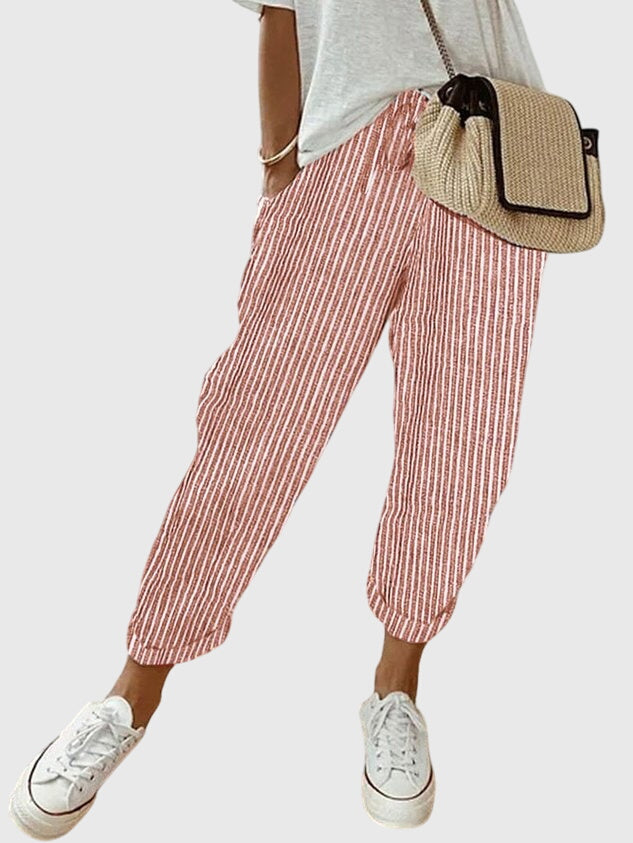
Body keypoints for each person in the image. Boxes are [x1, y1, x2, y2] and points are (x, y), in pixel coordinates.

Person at [9, 1, 548, 835]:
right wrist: (278, 165)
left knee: (459, 441)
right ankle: (133, 691)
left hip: (490, 144)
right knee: (253, 431)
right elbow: (279, 9)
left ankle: (396, 690)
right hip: (347, 147)